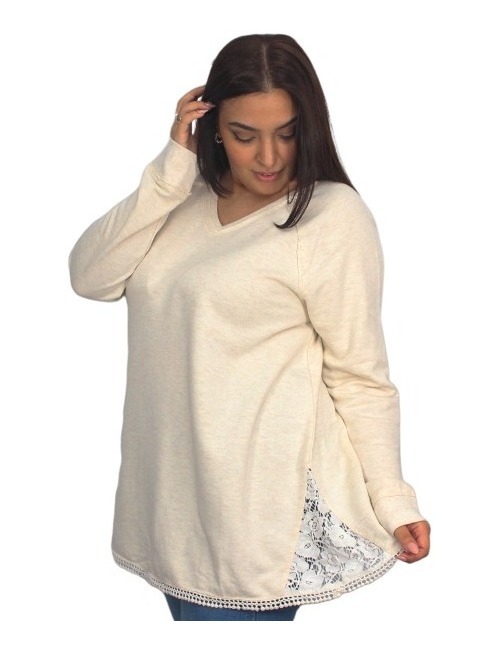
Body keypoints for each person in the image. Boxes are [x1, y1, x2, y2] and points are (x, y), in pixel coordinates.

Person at [69, 33, 430, 622]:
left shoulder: (330, 216)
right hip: (171, 508)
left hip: (254, 518)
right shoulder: (178, 203)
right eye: (244, 135)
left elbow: (359, 376)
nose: (268, 157)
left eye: (287, 133)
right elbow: (90, 276)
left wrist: (394, 499)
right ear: (212, 127)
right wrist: (171, 168)